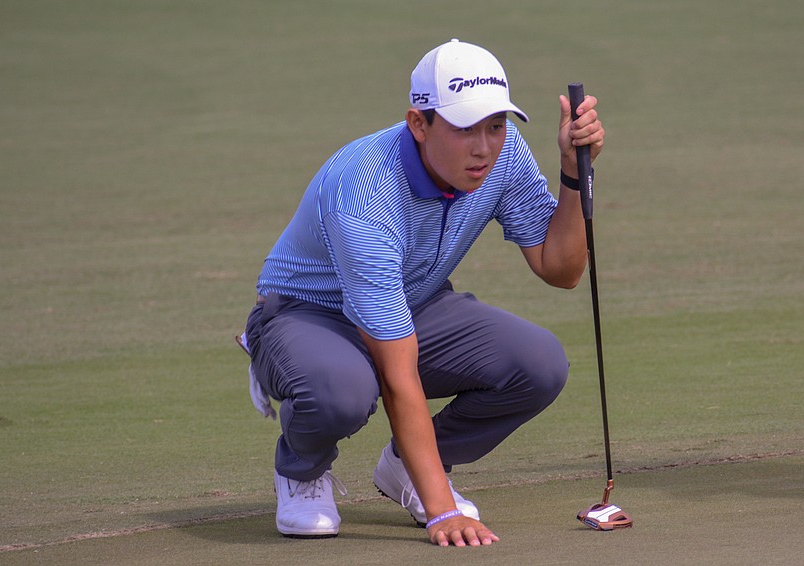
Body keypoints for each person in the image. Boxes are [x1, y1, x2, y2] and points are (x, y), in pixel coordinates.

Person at [239, 38, 604, 547]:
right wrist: (442, 513)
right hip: (307, 314)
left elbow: (560, 268)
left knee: (539, 363)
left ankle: (406, 468)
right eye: (463, 129)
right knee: (341, 393)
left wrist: (572, 171)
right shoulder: (366, 189)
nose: (483, 147)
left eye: (496, 126)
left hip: (416, 300)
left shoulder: (502, 156)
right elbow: (397, 372)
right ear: (419, 123)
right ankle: (301, 471)